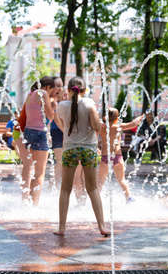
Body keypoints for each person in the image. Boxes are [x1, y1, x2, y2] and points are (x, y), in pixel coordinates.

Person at [53, 76, 109, 236]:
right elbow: (97, 126)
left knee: (65, 189)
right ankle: (102, 227)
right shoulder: (89, 104)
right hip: (88, 150)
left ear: (68, 90)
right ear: (85, 90)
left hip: (70, 149)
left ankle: (62, 228)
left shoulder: (61, 106)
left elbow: (63, 126)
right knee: (92, 189)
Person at [20, 76, 58, 205]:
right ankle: (35, 204)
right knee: (40, 173)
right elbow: (50, 116)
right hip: (40, 133)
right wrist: (54, 104)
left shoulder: (30, 94)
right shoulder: (43, 93)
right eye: (52, 89)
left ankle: (26, 199)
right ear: (47, 87)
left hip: (28, 132)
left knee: (28, 168)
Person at [98, 107, 143, 202]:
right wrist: (140, 117)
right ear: (116, 118)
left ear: (105, 117)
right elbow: (133, 124)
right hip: (117, 157)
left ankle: (95, 199)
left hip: (105, 157)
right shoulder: (118, 126)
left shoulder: (101, 127)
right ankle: (128, 198)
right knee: (121, 180)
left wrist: (97, 148)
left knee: (100, 182)